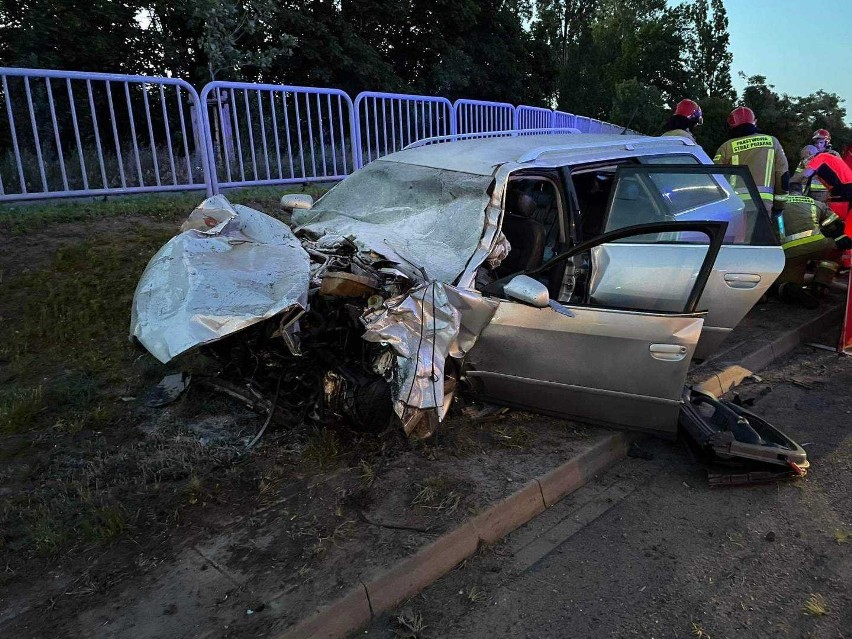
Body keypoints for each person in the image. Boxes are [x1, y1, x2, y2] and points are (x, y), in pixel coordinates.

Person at [772, 184, 849, 308]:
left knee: (787, 283)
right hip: (818, 244)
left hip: (790, 251)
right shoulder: (815, 203)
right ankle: (821, 284)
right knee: (836, 250)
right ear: (802, 192)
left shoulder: (775, 204)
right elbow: (835, 224)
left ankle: (792, 288)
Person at [713, 106, 789, 218]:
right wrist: (779, 206)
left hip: (735, 208)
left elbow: (714, 178)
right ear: (754, 122)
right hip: (763, 205)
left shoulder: (726, 147)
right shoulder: (772, 142)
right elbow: (783, 176)